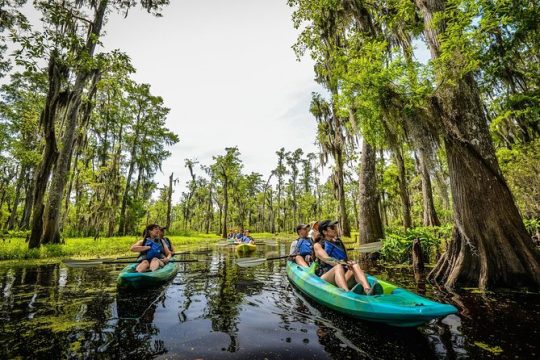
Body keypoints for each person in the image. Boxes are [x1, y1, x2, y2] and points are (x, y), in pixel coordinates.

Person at [313, 220, 381, 295]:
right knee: (338, 267)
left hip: (341, 277)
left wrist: (349, 263)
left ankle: (367, 290)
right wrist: (343, 263)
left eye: (335, 227)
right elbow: (328, 259)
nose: (335, 229)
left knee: (355, 265)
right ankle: (347, 293)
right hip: (326, 278)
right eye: (332, 227)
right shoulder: (318, 245)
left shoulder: (339, 242)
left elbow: (347, 259)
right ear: (324, 232)